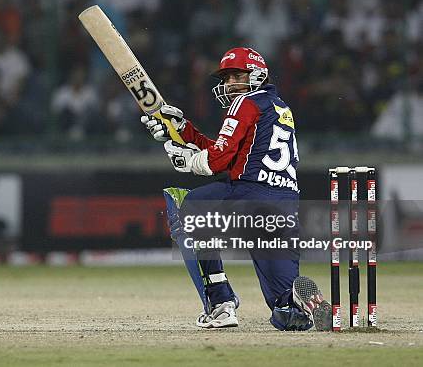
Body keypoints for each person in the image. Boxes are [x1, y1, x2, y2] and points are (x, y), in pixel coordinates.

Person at [141, 47, 331, 331]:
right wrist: (182, 131)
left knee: (187, 208)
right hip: (284, 206)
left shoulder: (246, 103)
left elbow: (218, 160)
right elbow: (231, 155)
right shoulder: (280, 107)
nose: (230, 84)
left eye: (236, 76)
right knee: (285, 315)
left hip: (249, 194)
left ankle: (221, 305)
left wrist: (189, 161)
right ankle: (297, 302)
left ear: (258, 75)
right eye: (227, 78)